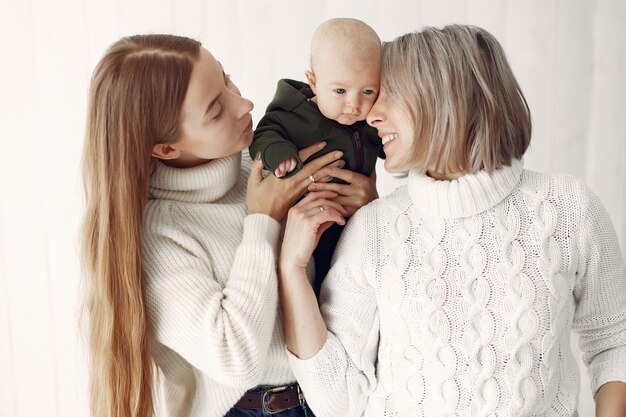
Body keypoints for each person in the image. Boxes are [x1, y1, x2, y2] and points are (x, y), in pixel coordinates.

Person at [278, 25, 626, 416]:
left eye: (385, 94)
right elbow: (339, 402)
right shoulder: (373, 229)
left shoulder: (568, 209)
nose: (370, 114)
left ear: (441, 97)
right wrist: (292, 270)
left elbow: (614, 341)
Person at [80, 34, 361, 417]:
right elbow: (235, 359)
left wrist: (364, 205)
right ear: (164, 148)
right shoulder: (156, 235)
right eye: (215, 110)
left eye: (227, 80)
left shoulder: (262, 169)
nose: (244, 104)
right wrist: (262, 222)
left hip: (328, 390)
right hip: (256, 409)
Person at [250, 18, 384, 295]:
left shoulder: (370, 120)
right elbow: (264, 135)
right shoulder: (292, 115)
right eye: (340, 91)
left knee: (355, 283)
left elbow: (398, 145)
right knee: (314, 282)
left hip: (355, 225)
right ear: (313, 81)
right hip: (305, 226)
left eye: (367, 91)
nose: (354, 104)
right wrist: (280, 154)